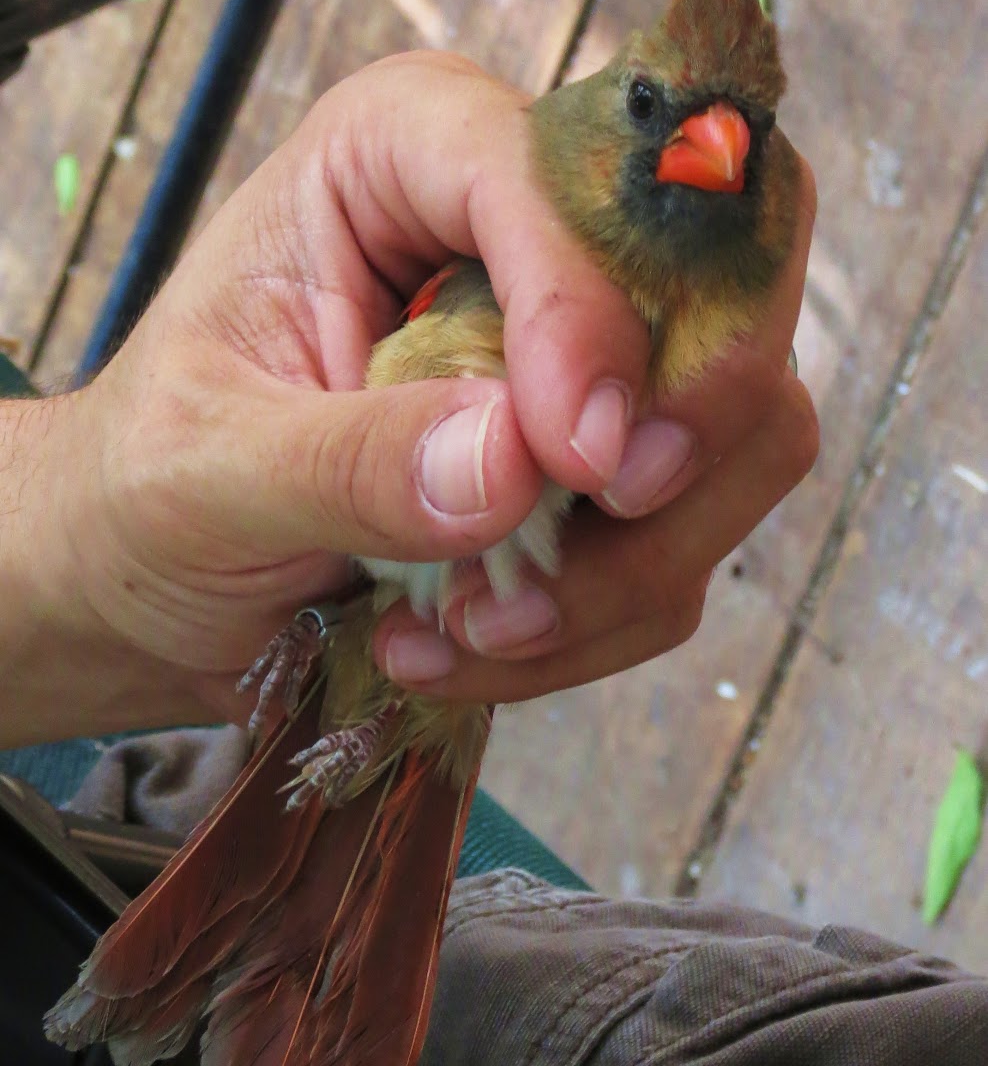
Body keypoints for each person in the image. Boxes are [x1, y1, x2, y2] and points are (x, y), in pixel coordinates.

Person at [2, 53, 984, 1062]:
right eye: (651, 107)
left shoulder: (638, 329)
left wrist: (77, 547)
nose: (714, 145)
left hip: (342, 695)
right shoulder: (495, 267)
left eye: (746, 138)